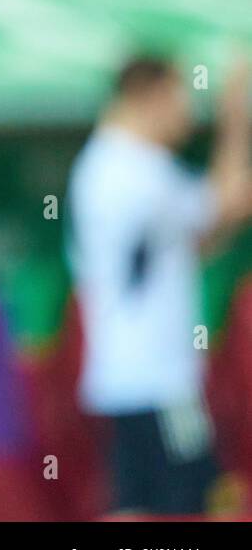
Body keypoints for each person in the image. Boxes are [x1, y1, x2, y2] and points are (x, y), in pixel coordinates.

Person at [68, 55, 252, 515]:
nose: (187, 115)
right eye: (180, 99)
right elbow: (228, 202)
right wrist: (234, 113)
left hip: (123, 374)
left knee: (133, 501)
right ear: (150, 96)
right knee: (210, 502)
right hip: (158, 379)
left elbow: (200, 240)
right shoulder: (135, 169)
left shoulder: (107, 165)